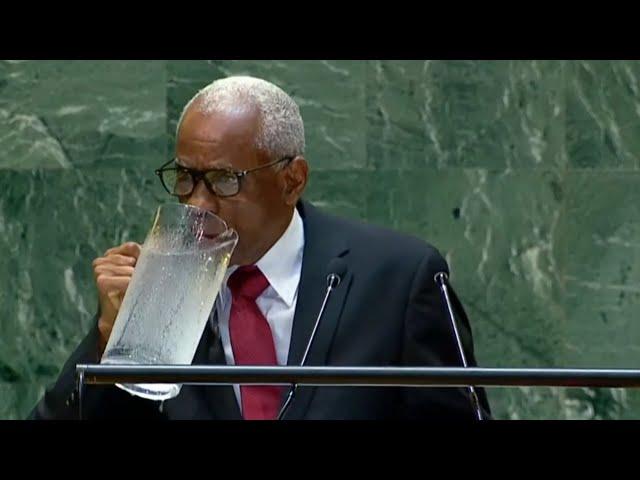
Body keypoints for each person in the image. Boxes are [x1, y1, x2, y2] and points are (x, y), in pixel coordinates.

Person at [30, 75, 491, 420]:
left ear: (292, 180)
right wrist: (110, 345)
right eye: (186, 177)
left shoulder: (397, 279)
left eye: (225, 180)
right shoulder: (158, 289)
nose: (197, 203)